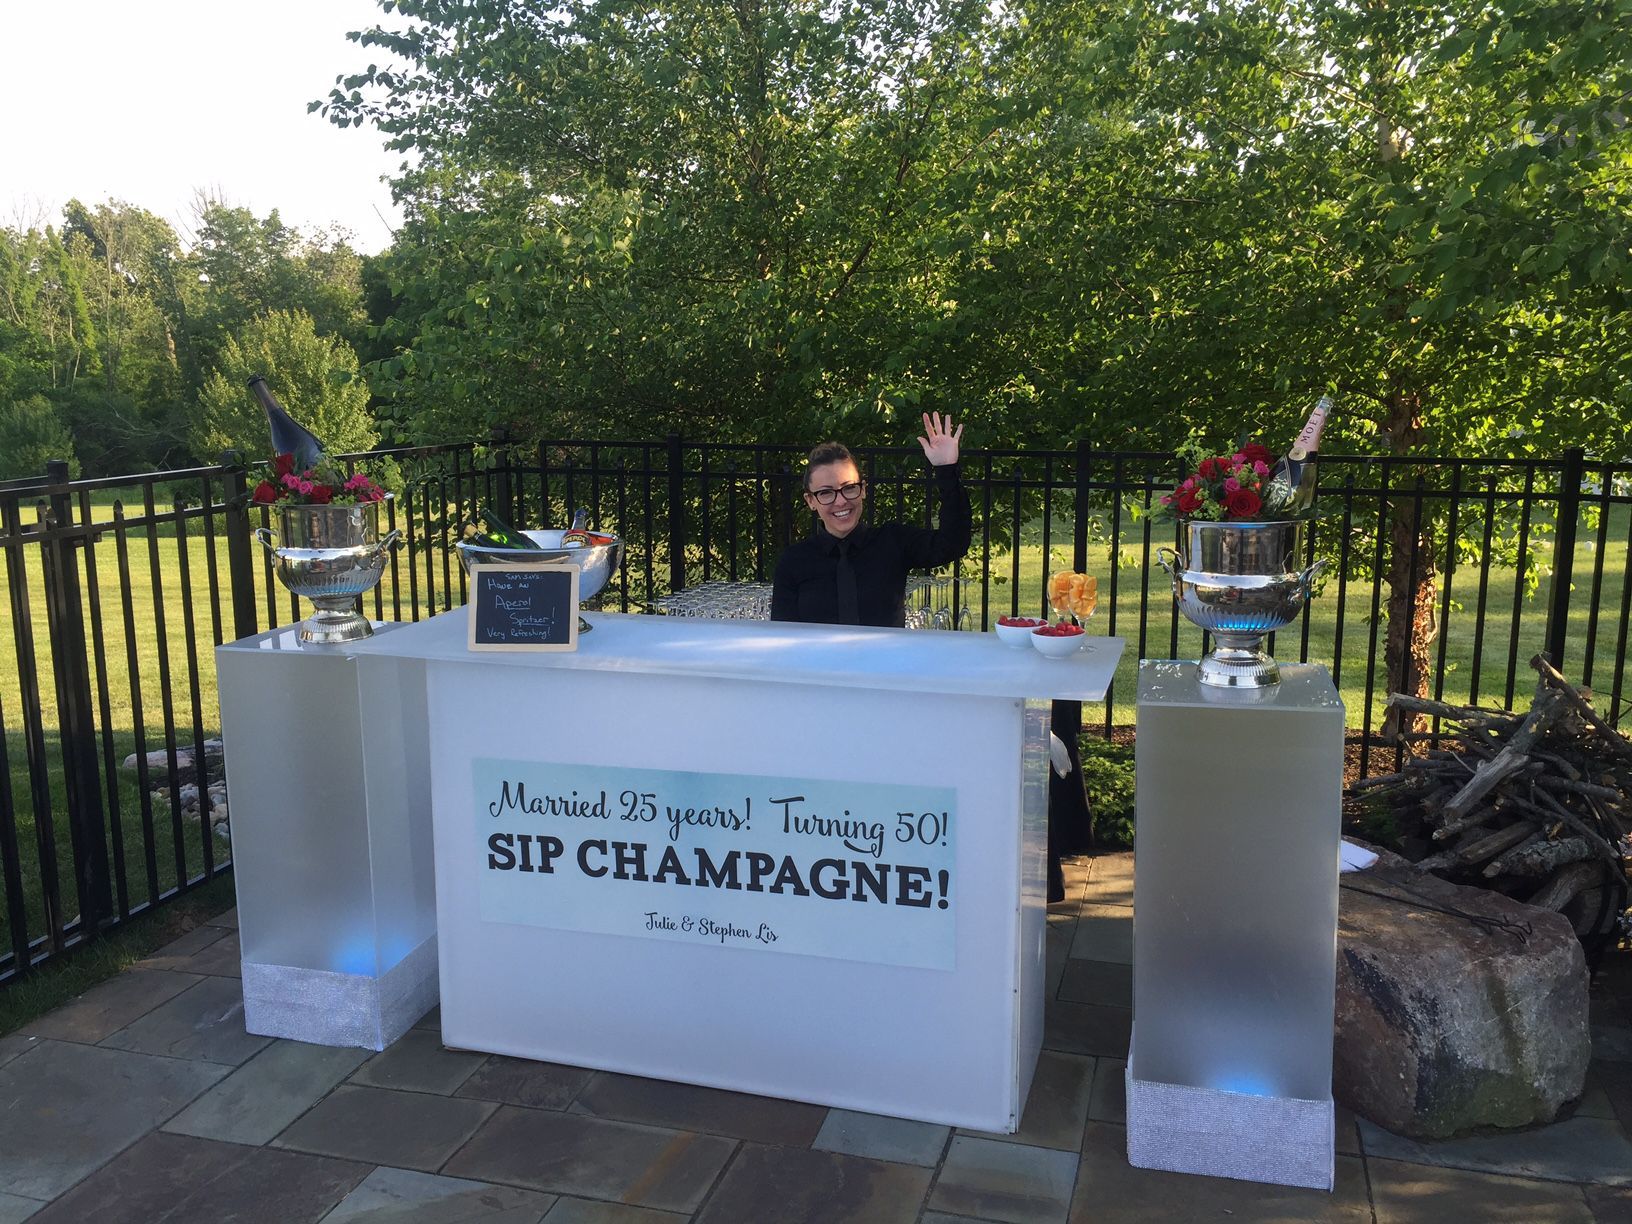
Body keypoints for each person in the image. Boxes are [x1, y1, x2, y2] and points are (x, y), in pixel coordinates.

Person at [771, 412, 970, 626]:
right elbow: (782, 632)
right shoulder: (794, 560)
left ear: (863, 489)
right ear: (810, 500)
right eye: (826, 493)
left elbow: (953, 543)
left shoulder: (892, 542)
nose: (841, 501)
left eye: (849, 488)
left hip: (886, 650)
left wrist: (946, 471)